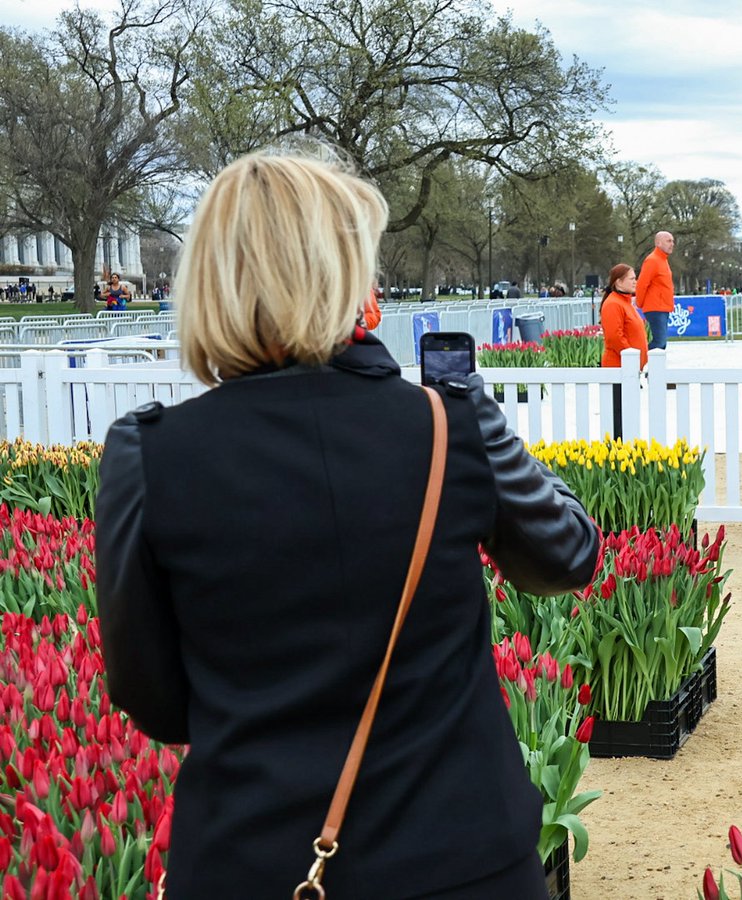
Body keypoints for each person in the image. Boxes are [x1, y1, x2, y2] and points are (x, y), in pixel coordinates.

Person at [95, 150, 600, 899]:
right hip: (462, 852)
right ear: (345, 278)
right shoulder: (445, 424)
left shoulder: (150, 453)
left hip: (255, 858)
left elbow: (154, 700)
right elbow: (567, 554)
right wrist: (478, 418)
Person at [600, 263, 648, 439]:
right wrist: (632, 359)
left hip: (628, 370)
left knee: (626, 415)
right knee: (618, 416)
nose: (635, 281)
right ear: (619, 282)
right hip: (618, 369)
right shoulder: (613, 304)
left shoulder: (625, 302)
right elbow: (615, 337)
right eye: (632, 279)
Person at [636, 230, 675, 351]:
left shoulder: (663, 260)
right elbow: (642, 284)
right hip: (655, 307)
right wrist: (640, 303)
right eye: (668, 241)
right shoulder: (653, 260)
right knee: (659, 342)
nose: (672, 244)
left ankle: (647, 361)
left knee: (661, 343)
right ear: (658, 243)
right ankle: (638, 359)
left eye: (672, 241)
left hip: (663, 307)